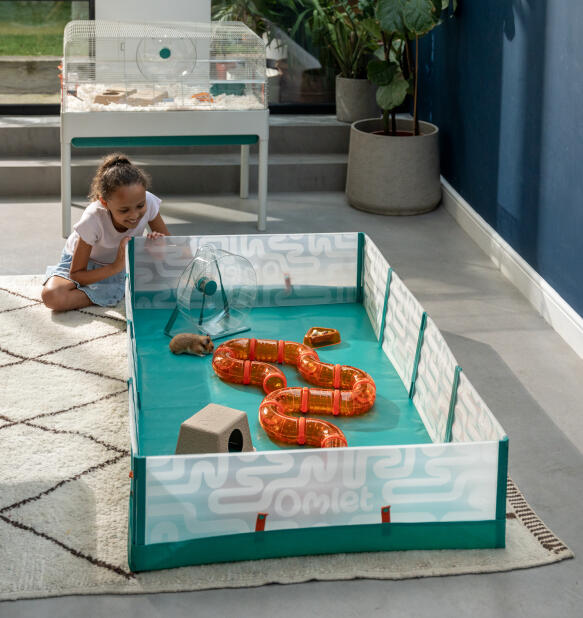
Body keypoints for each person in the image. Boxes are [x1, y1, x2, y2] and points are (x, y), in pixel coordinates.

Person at [42, 152, 168, 312]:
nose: (134, 215)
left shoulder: (148, 202)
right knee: (52, 296)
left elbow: (172, 246)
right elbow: (77, 274)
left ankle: (114, 287)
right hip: (84, 265)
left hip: (123, 263)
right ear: (104, 202)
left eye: (140, 206)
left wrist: (158, 248)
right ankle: (114, 290)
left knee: (169, 283)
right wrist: (115, 267)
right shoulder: (93, 218)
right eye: (124, 210)